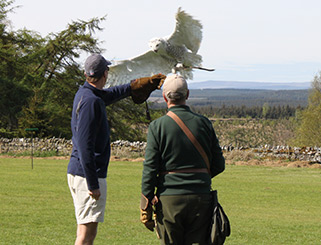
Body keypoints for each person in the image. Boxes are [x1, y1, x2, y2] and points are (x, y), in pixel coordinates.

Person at [67, 53, 165, 245]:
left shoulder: (86, 93)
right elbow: (85, 146)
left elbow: (110, 95)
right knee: (87, 236)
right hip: (87, 175)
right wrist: (93, 184)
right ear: (105, 73)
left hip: (80, 172)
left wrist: (133, 87)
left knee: (83, 232)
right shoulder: (91, 101)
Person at [140, 74, 225, 244]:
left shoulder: (157, 127)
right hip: (201, 198)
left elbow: (150, 168)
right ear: (187, 94)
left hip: (170, 201)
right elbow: (219, 165)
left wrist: (146, 201)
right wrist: (199, 178)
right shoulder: (204, 123)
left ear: (165, 97)